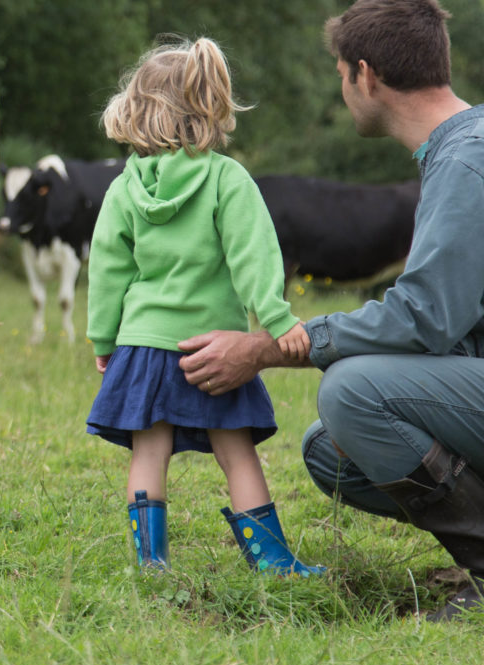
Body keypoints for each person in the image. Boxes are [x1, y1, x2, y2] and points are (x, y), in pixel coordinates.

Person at [176, 0, 484, 618]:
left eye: (341, 76)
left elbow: (425, 319)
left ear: (365, 76)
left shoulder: (471, 160)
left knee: (352, 393)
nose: (342, 89)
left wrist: (269, 347)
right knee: (334, 452)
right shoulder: (464, 149)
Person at [86, 37, 322, 575]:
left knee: (148, 453)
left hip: (143, 345)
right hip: (215, 350)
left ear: (136, 110)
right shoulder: (225, 178)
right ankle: (273, 563)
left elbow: (107, 271)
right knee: (237, 454)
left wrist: (104, 340)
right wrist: (277, 319)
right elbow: (254, 256)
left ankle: (152, 564)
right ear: (207, 106)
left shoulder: (124, 188)